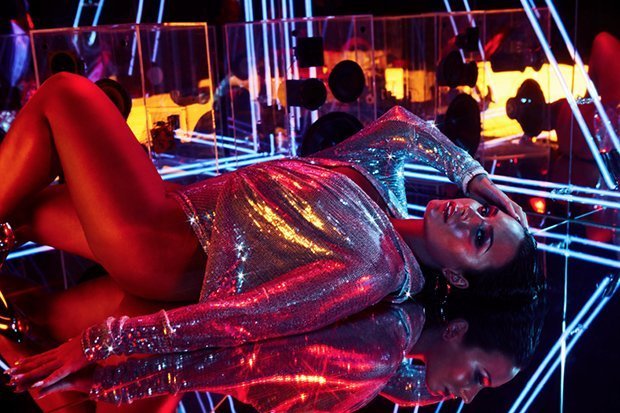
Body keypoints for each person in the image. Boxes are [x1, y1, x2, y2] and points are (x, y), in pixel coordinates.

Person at [0, 72, 537, 392]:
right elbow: (401, 125)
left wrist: (104, 341)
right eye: (486, 213)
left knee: (65, 95)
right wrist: (475, 174)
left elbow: (247, 318)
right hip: (173, 207)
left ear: (456, 277)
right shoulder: (386, 187)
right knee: (24, 207)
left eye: (480, 239)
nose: (471, 216)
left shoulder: (374, 268)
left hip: (156, 245)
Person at [12, 293, 545, 412]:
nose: (467, 397)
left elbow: (413, 389)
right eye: (479, 377)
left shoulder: (396, 350)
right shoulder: (383, 345)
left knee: (28, 320)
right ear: (457, 331)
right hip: (171, 333)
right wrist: (109, 353)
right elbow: (239, 340)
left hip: (169, 341)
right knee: (30, 330)